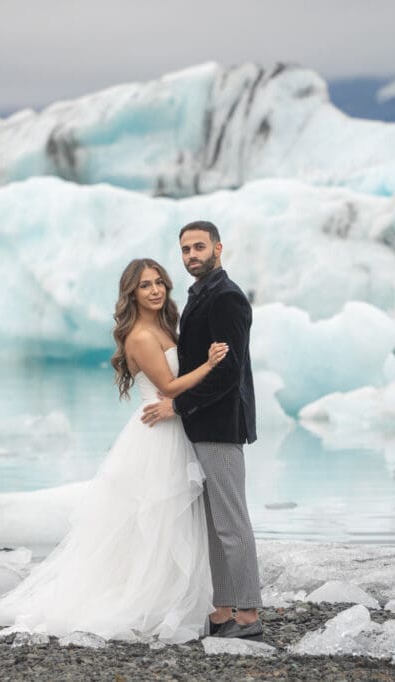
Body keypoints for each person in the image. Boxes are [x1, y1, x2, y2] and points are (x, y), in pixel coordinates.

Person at [0, 258, 226, 643]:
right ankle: (147, 601)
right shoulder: (141, 335)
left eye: (159, 283)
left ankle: (173, 598)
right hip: (156, 435)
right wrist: (209, 364)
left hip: (173, 429)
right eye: (145, 285)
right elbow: (169, 388)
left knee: (173, 522)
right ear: (131, 294)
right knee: (154, 522)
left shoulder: (162, 326)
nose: (155, 290)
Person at [142, 220, 262, 639]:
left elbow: (228, 373)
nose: (192, 255)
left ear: (218, 248)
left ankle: (248, 615)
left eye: (199, 247)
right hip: (202, 424)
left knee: (231, 521)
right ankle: (222, 609)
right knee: (215, 524)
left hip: (220, 424)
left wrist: (178, 404)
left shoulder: (227, 298)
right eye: (186, 250)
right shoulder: (201, 294)